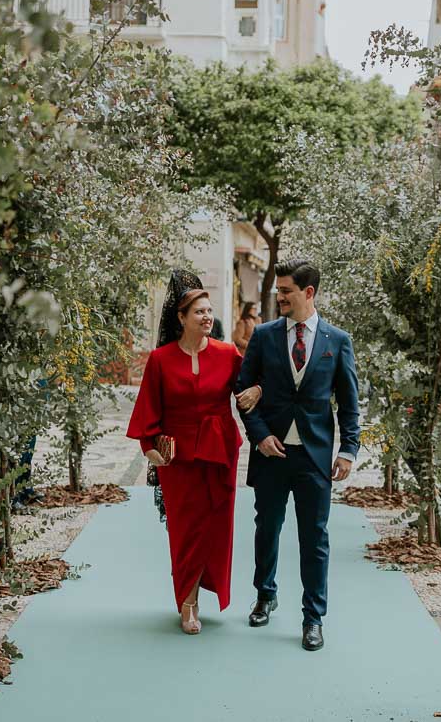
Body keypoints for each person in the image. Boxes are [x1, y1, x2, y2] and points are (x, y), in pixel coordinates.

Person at [235, 258, 360, 652]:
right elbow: (242, 392)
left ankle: (313, 617)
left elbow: (350, 401)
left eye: (286, 291)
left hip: (315, 457)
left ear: (308, 293)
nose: (279, 297)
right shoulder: (264, 335)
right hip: (271, 454)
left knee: (315, 538)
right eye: (278, 290)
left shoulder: (337, 340)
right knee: (266, 528)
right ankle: (264, 594)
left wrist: (349, 450)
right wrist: (260, 436)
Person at [126, 272, 262, 635]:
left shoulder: (228, 353)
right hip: (178, 457)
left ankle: (198, 593)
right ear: (181, 318)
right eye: (198, 312)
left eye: (209, 311)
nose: (207, 317)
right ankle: (188, 603)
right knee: (185, 531)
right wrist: (150, 451)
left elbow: (252, 384)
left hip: (220, 453)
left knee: (215, 528)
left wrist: (259, 390)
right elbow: (147, 409)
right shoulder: (160, 359)